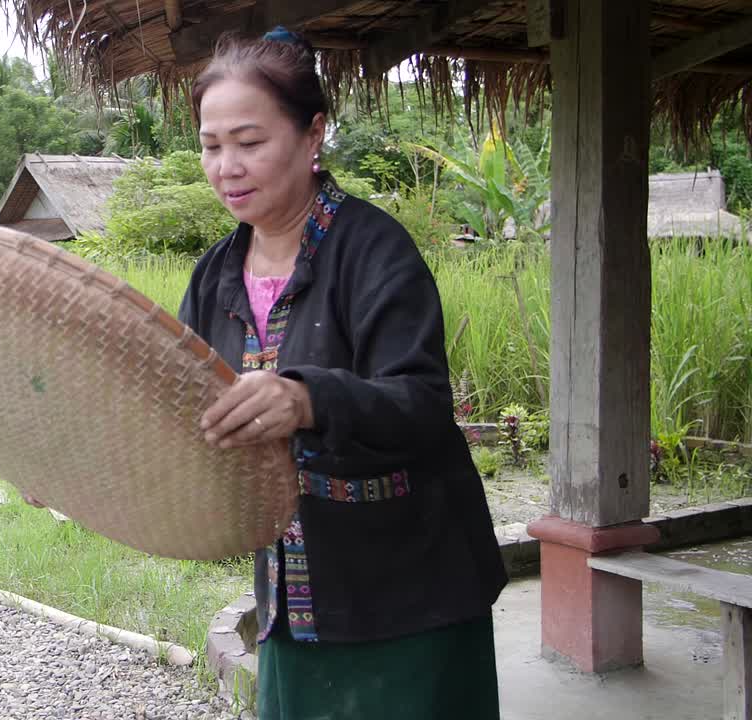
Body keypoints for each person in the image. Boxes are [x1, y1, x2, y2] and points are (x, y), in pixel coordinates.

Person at [177, 29, 508, 719]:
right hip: (294, 607)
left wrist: (307, 399)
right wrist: (72, 461)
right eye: (212, 146)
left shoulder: (375, 251)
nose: (227, 166)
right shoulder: (213, 277)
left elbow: (420, 403)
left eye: (250, 142)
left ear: (312, 134)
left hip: (413, 597)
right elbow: (179, 412)